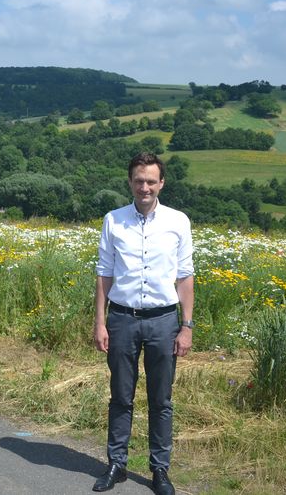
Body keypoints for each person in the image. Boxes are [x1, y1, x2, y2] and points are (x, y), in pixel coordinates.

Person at [92, 153, 194, 495]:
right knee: (120, 396)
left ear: (161, 183)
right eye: (139, 180)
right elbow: (104, 274)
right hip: (122, 320)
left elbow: (185, 276)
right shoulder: (113, 220)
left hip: (163, 321)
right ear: (130, 182)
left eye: (151, 181)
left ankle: (160, 470)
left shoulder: (178, 221)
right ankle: (117, 464)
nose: (145, 187)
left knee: (161, 400)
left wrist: (187, 326)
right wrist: (100, 323)